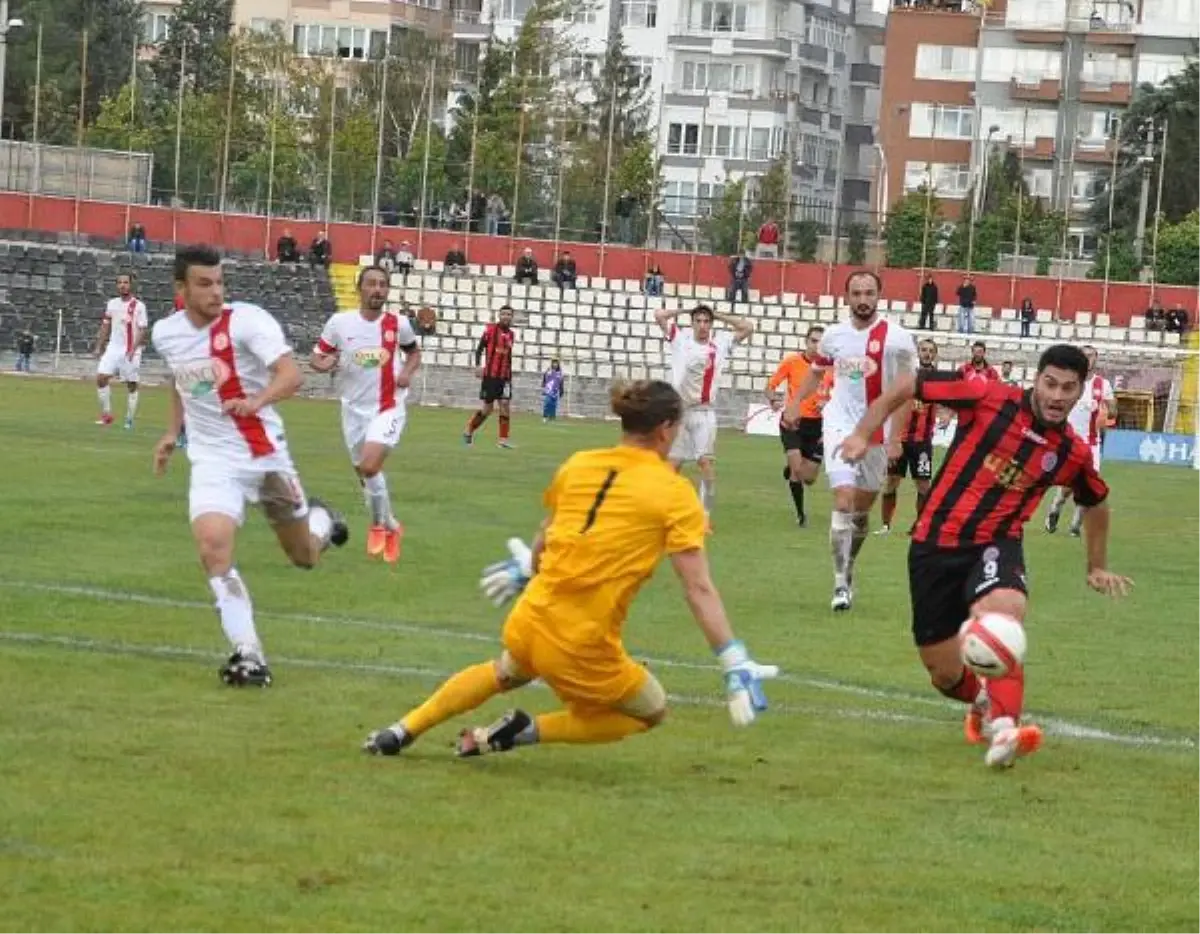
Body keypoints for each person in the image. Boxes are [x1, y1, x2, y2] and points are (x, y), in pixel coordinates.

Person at [362, 380, 779, 758]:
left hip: (530, 618)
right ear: (666, 429)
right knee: (651, 711)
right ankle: (525, 731)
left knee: (505, 671)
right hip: (580, 643)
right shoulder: (674, 493)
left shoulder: (580, 463)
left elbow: (545, 535)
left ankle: (400, 730)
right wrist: (732, 658)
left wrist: (526, 569)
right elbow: (698, 588)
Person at [839, 344, 1131, 769]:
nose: (1057, 396)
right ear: (1037, 378)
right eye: (1050, 383)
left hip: (996, 543)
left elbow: (1097, 501)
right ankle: (980, 701)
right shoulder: (988, 397)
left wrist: (1096, 565)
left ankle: (1006, 730)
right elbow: (910, 384)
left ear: (1081, 391)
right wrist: (865, 432)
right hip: (934, 544)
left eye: (1068, 388)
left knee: (1003, 616)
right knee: (942, 672)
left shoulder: (1072, 452)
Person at [151, 245, 349, 687]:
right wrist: (172, 433)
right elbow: (180, 379)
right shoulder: (166, 333)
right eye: (204, 284)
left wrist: (256, 401)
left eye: (220, 281)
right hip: (212, 460)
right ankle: (248, 654)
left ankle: (322, 521)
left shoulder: (248, 321)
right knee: (212, 547)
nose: (216, 291)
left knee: (304, 557)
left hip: (265, 457)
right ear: (181, 288)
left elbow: (291, 374)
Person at [781, 270, 918, 612]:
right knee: (843, 501)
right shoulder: (833, 336)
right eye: (856, 293)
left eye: (868, 293)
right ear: (846, 297)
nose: (862, 299)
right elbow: (816, 372)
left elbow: (907, 392)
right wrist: (797, 403)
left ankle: (849, 565)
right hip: (840, 424)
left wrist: (896, 438)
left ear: (879, 295)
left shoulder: (898, 338)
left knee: (860, 514)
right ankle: (840, 583)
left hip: (877, 432)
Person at [311, 265, 422, 564]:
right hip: (353, 411)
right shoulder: (339, 323)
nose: (377, 290)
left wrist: (407, 374)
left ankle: (376, 526)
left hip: (388, 406)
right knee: (366, 475)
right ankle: (392, 526)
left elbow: (414, 353)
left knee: (371, 466)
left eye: (383, 285)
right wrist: (325, 364)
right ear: (359, 289)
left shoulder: (398, 324)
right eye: (371, 284)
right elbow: (317, 356)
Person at [653, 304, 754, 529]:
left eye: (706, 321)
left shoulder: (720, 344)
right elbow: (659, 315)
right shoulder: (680, 340)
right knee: (673, 465)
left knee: (705, 463)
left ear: (711, 324)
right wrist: (686, 309)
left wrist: (716, 313)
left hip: (704, 412)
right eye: (698, 321)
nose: (702, 325)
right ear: (692, 323)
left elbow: (748, 327)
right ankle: (665, 513)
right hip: (678, 412)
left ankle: (704, 516)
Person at [765, 325, 834, 527]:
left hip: (818, 425)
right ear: (806, 341)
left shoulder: (831, 368)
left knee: (809, 478)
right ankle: (801, 515)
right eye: (813, 340)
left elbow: (838, 394)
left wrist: (828, 403)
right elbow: (770, 386)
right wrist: (774, 399)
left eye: (821, 342)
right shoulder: (792, 362)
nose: (817, 345)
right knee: (798, 472)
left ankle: (792, 468)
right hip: (792, 422)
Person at [1046, 345, 1114, 537]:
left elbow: (1113, 410)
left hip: (1092, 443)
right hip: (1069, 441)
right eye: (1085, 356)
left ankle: (1075, 525)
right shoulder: (1069, 382)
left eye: (1092, 356)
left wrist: (1106, 413)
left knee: (1089, 486)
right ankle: (1056, 507)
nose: (1089, 359)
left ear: (1096, 359)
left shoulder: (1103, 385)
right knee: (1068, 486)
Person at [877, 338, 940, 536]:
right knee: (892, 481)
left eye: (930, 350)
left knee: (923, 485)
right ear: (918, 353)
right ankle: (886, 526)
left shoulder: (939, 379)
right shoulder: (906, 376)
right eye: (923, 350)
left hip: (922, 442)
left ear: (935, 354)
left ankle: (920, 526)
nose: (927, 353)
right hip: (901, 440)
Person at [93, 273, 148, 429]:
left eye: (126, 282)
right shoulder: (112, 304)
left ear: (131, 285)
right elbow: (105, 325)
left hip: (131, 349)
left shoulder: (139, 306)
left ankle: (129, 419)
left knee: (131, 384)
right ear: (117, 285)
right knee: (101, 378)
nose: (123, 285)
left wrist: (133, 349)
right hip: (113, 348)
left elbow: (143, 330)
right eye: (120, 282)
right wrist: (99, 345)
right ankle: (107, 415)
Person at [464, 305, 517, 449]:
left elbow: (509, 356)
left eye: (509, 314)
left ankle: (503, 440)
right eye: (504, 314)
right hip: (490, 376)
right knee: (488, 409)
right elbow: (479, 349)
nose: (506, 316)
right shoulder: (490, 330)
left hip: (505, 377)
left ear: (512, 317)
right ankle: (469, 429)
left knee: (505, 405)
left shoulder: (512, 335)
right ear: (499, 316)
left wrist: (510, 376)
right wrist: (477, 366)